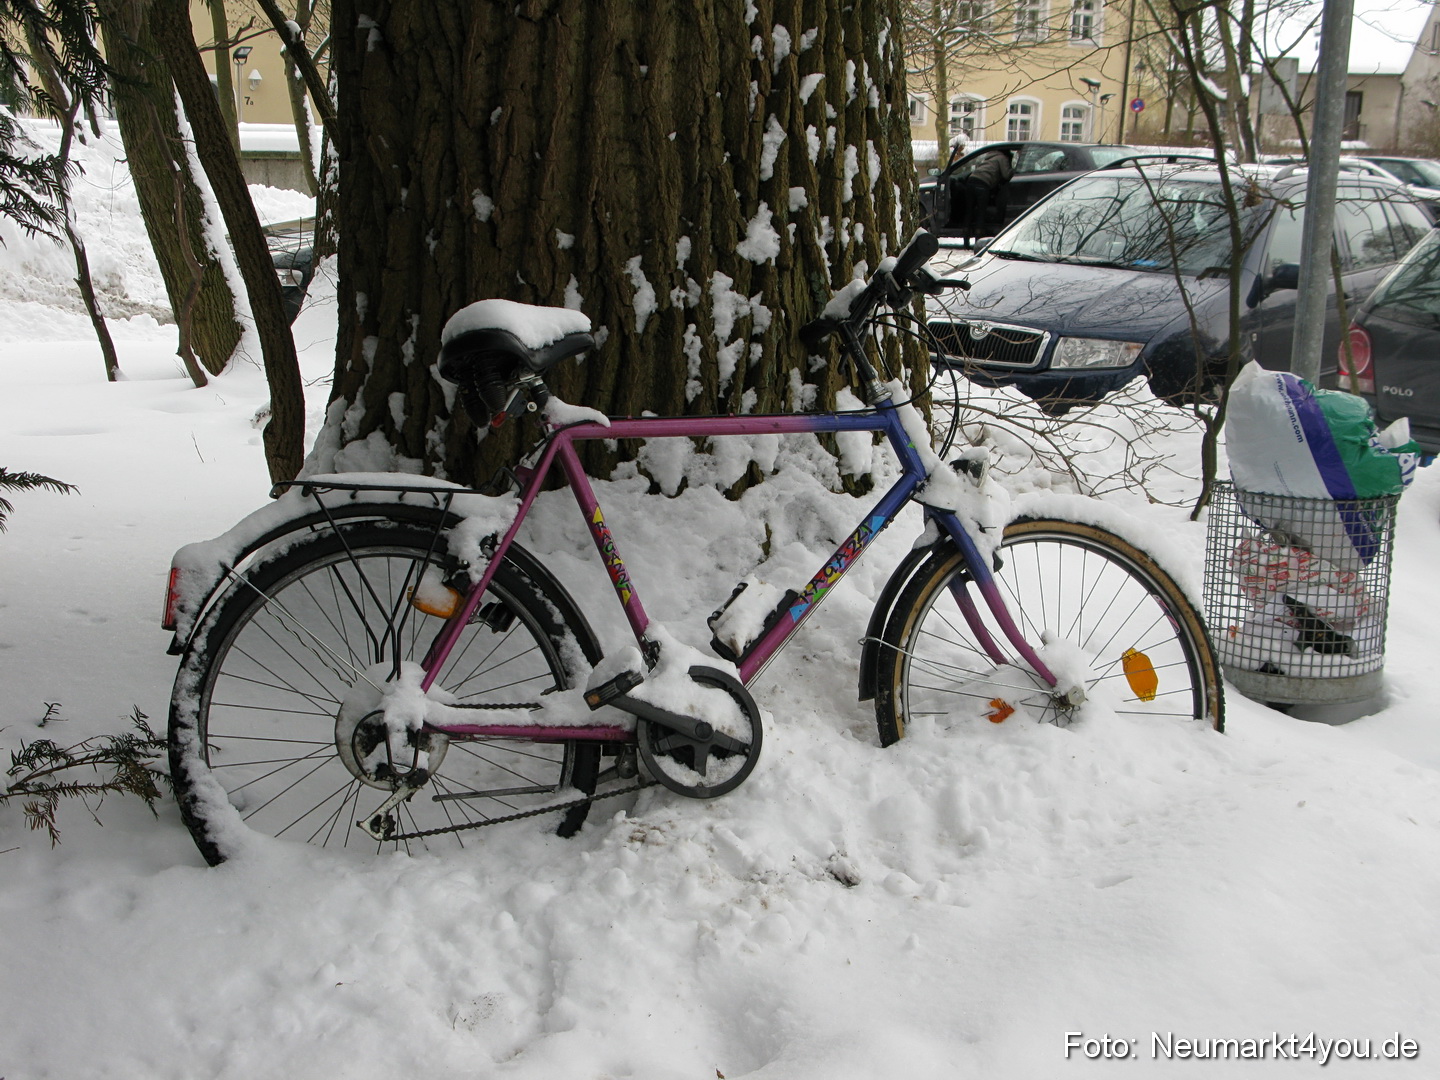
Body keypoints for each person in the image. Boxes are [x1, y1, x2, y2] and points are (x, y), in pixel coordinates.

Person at [957, 147, 1012, 249]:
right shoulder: (1003, 158)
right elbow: (1006, 175)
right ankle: (978, 241)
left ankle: (966, 241)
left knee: (969, 210)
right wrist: (1013, 171)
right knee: (981, 212)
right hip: (983, 184)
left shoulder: (988, 157)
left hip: (971, 181)